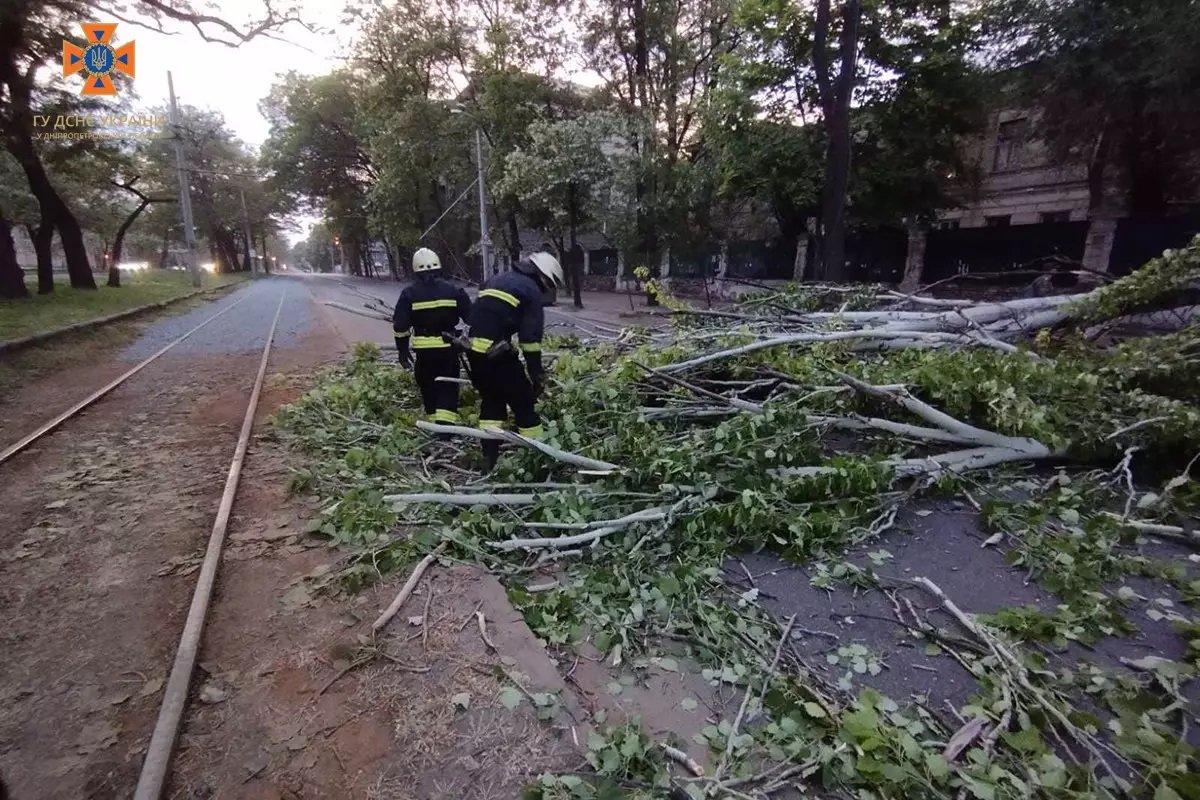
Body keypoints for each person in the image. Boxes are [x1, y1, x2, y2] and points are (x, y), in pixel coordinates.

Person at [465, 251, 565, 469]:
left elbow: (477, 315)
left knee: (492, 402)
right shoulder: (530, 290)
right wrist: (536, 374)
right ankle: (537, 457)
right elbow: (530, 340)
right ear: (543, 276)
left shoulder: (497, 279)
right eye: (549, 285)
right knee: (524, 403)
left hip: (473, 351)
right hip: (496, 353)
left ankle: (489, 457)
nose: (546, 290)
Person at [392, 247, 472, 424]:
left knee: (428, 388)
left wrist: (403, 352)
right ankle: (446, 429)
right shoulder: (455, 291)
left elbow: (400, 326)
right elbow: (473, 319)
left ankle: (435, 426)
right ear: (439, 267)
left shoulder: (409, 294)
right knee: (448, 388)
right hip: (448, 349)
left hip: (424, 353)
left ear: (415, 270)